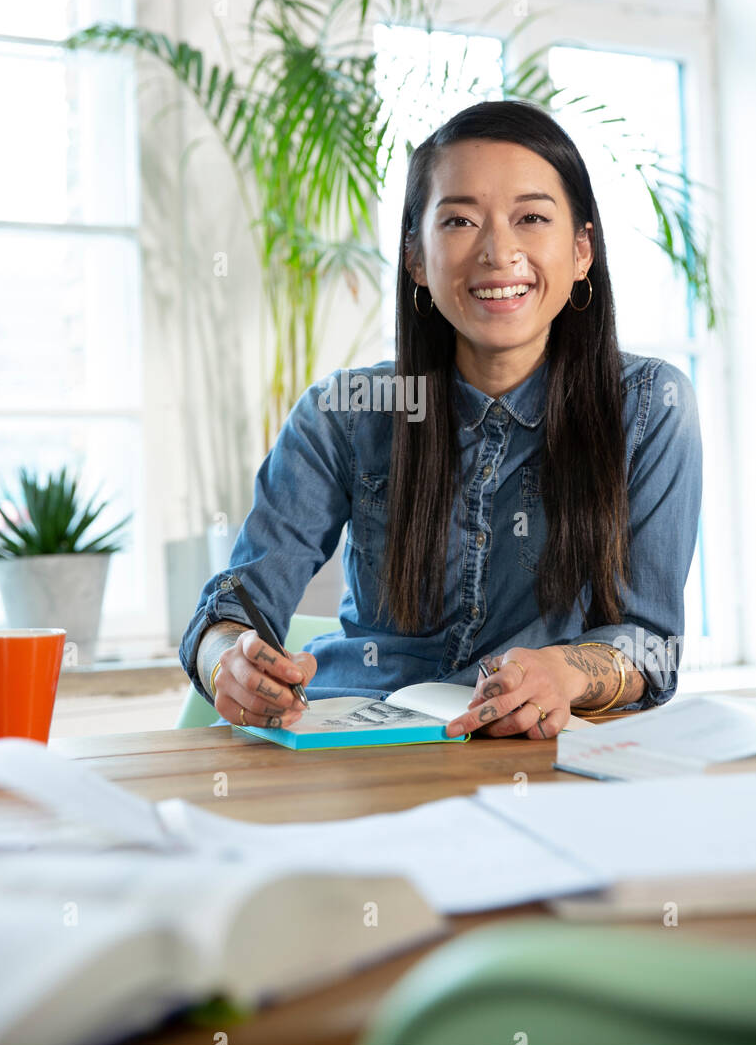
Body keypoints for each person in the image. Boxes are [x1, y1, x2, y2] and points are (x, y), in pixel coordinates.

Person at [178, 99, 703, 740]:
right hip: (358, 749)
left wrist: (561, 672)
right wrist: (227, 661)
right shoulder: (344, 413)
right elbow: (234, 605)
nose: (497, 251)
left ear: (582, 248)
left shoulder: (651, 405)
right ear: (417, 259)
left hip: (542, 754)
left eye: (532, 217)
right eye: (458, 221)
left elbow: (652, 646)